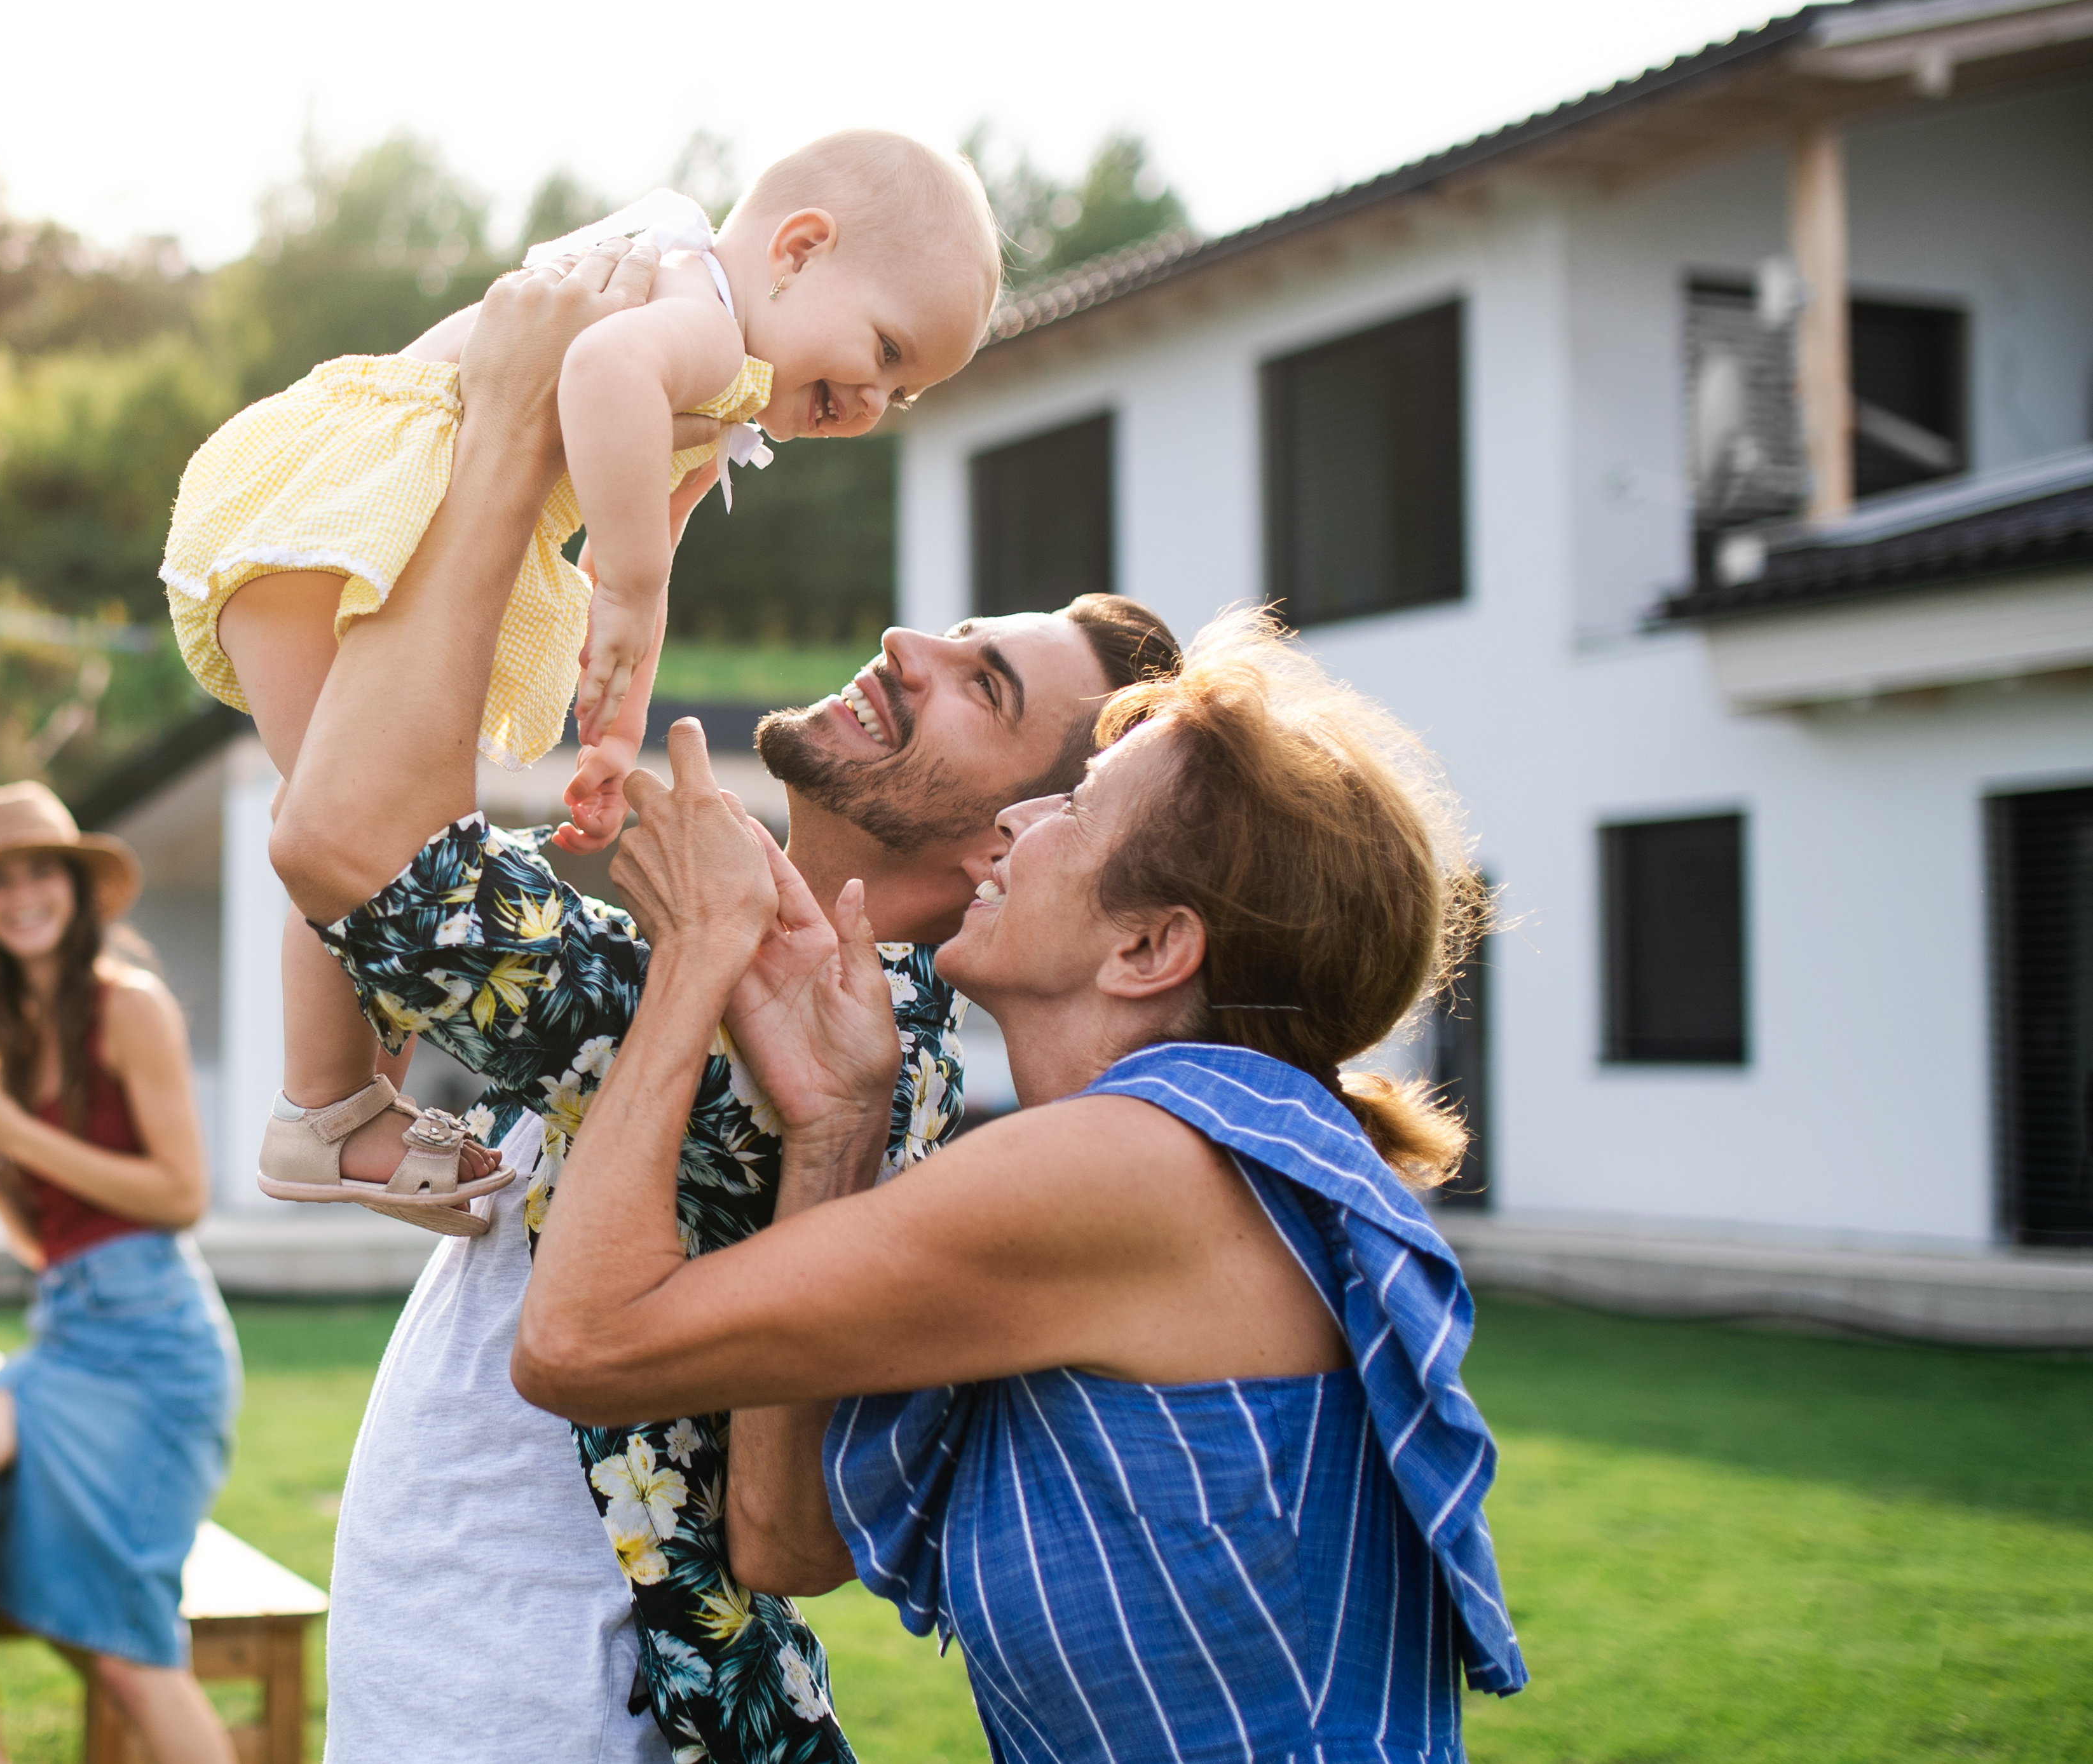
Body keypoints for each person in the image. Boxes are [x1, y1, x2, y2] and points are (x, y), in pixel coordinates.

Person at [262, 236, 1178, 1763]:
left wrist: (501, 431)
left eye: (982, 687)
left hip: (559, 1697)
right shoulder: (786, 965)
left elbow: (346, 842)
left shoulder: (771, 998)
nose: (909, 645)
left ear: (1004, 835)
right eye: (957, 634)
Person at [511, 611, 1531, 1763]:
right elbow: (784, 1538)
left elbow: (577, 1348)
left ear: (1149, 950)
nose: (1014, 821)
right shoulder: (1176, 1160)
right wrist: (837, 1127)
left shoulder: (1130, 1167)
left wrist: (696, 952)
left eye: (1075, 809)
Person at [161, 130, 1007, 1239]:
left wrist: (610, 723)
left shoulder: (721, 375)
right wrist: (635, 586)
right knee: (363, 813)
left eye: (901, 392)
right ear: (797, 250)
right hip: (353, 506)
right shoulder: (699, 313)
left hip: (387, 516)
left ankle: (333, 1102)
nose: (871, 398)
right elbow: (603, 388)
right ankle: (323, 1104)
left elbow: (635, 555)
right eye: (884, 349)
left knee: (381, 810)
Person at [0, 782, 241, 1764]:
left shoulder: (131, 1006)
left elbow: (179, 1194)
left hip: (155, 1349)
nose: (22, 895)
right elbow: (49, 1241)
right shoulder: (6, 1031)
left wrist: (14, 1131)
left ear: (76, 887)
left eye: (40, 870)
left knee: (126, 1652)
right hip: (69, 1330)